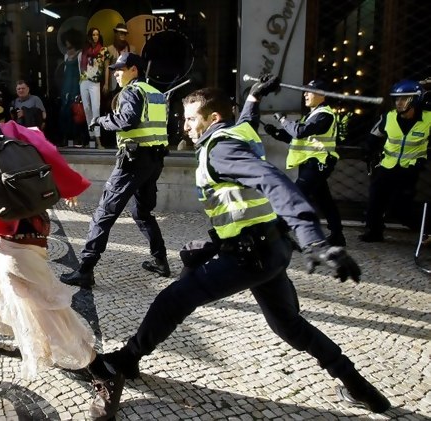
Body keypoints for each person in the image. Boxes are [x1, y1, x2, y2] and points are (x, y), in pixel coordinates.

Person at [86, 80, 392, 419]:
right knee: (289, 325)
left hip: (249, 256)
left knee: (172, 299)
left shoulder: (221, 149)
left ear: (213, 117)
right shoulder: (241, 132)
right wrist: (254, 96)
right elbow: (247, 118)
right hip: (270, 250)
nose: (184, 125)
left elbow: (271, 180)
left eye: (190, 119)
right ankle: (361, 388)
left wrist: (314, 239)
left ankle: (128, 359)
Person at [0, 87, 125, 409]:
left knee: (40, 305)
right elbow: (44, 147)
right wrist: (67, 185)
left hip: (6, 232)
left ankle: (101, 372)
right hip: (25, 222)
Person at [60, 52, 170, 289]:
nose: (116, 73)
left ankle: (85, 270)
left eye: (121, 69)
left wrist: (101, 121)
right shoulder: (156, 94)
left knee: (104, 214)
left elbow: (127, 121)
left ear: (134, 70)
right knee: (142, 213)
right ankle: (160, 260)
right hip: (154, 161)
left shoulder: (132, 91)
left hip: (132, 162)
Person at [264, 79, 346, 246]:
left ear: (321, 95)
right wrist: (276, 133)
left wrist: (282, 120)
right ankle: (338, 235)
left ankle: (277, 233)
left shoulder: (324, 115)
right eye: (305, 91)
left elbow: (300, 132)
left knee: (295, 195)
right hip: (311, 163)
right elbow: (297, 137)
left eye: (309, 91)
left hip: (318, 163)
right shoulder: (313, 114)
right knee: (324, 200)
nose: (305, 95)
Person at [359, 80, 431, 242]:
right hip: (387, 166)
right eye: (397, 99)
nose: (399, 102)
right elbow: (373, 137)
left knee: (400, 208)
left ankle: (426, 231)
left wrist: (421, 162)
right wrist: (367, 150)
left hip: (409, 169)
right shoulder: (388, 118)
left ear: (416, 99)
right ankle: (374, 231)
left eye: (404, 98)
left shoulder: (429, 119)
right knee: (375, 201)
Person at [79, 27, 111, 149]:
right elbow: (80, 67)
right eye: (93, 34)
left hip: (95, 82)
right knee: (87, 109)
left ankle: (98, 139)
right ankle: (91, 136)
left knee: (96, 109)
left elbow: (107, 67)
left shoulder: (103, 50)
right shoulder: (84, 51)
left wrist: (106, 83)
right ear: (89, 36)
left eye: (97, 34)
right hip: (84, 81)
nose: (95, 37)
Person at [59, 30, 84, 146]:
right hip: (67, 85)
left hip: (75, 85)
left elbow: (81, 71)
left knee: (75, 111)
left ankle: (76, 137)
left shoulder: (80, 54)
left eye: (68, 40)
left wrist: (81, 89)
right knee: (65, 111)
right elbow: (64, 72)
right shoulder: (66, 56)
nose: (67, 42)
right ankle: (66, 136)